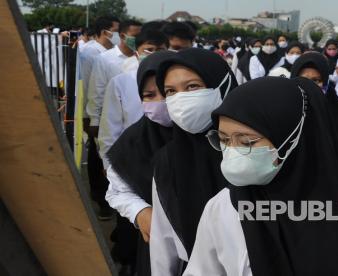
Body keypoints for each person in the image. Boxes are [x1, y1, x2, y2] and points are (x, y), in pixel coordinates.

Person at [184, 77, 338, 275]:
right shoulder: (223, 207)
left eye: (247, 142)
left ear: (292, 139)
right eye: (223, 140)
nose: (232, 151)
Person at [148, 48, 238, 275]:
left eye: (192, 87)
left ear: (222, 85)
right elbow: (163, 238)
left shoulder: (253, 148)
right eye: (170, 91)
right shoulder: (168, 160)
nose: (181, 99)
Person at [105, 51, 175, 276]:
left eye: (168, 92)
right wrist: (140, 211)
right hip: (157, 249)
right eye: (149, 95)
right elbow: (117, 191)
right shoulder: (134, 142)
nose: (160, 102)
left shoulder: (220, 135)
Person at [98, 26, 168, 169]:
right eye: (149, 50)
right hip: (131, 156)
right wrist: (108, 164)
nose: (154, 55)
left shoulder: (175, 82)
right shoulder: (120, 82)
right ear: (136, 54)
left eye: (160, 50)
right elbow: (110, 128)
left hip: (167, 153)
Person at [291, 52, 338, 182]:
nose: (310, 85)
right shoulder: (285, 112)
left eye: (316, 80)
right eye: (304, 79)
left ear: (325, 82)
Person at [79, 15, 120, 219]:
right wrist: (89, 118)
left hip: (109, 111)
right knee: (97, 156)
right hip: (96, 112)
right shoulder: (91, 53)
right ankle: (100, 199)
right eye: (116, 30)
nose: (119, 35)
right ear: (105, 31)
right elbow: (89, 86)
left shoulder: (107, 53)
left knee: (106, 155)